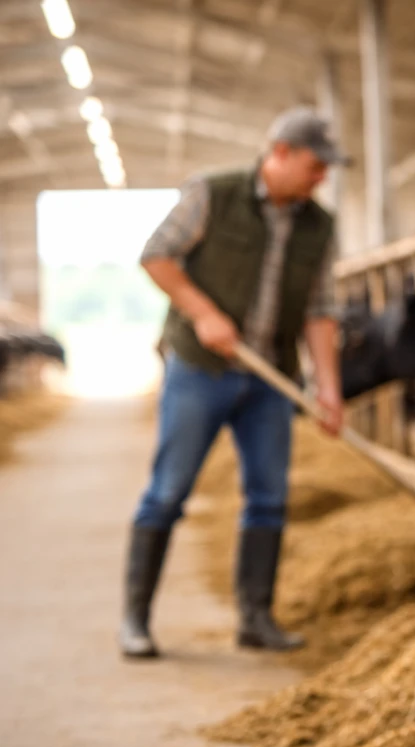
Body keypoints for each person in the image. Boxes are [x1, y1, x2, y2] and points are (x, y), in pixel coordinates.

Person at [119, 107, 347, 659]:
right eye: (316, 165)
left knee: (269, 497)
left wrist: (329, 388)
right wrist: (202, 312)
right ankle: (136, 620)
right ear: (281, 153)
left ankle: (256, 618)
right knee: (168, 492)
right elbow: (155, 255)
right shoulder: (213, 193)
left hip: (271, 379)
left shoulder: (319, 225)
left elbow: (318, 309)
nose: (322, 178)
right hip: (202, 369)